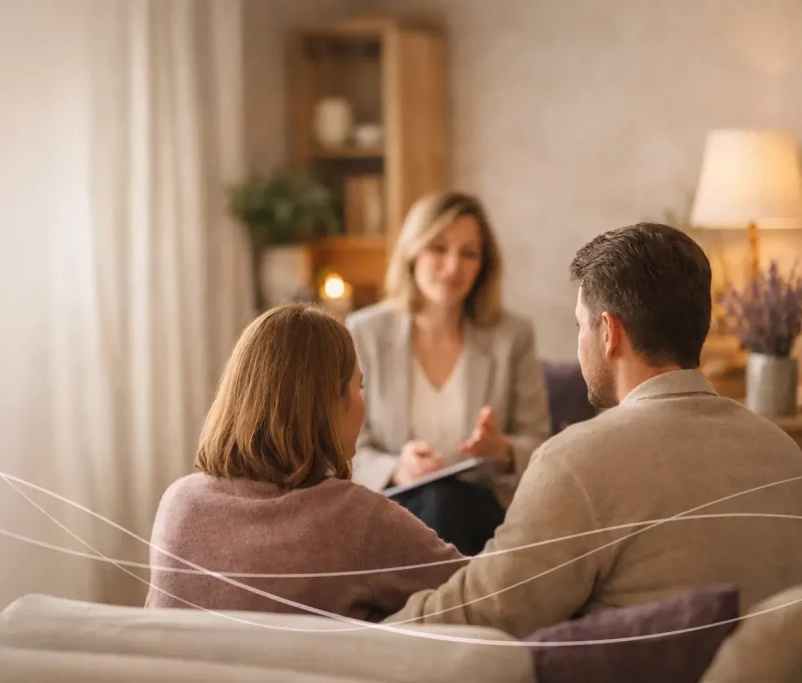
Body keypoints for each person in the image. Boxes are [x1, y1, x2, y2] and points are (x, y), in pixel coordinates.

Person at [384, 222, 802, 637]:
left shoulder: (577, 461)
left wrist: (361, 637)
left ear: (609, 333)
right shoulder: (785, 453)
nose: (578, 342)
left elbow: (478, 612)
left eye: (580, 326)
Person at [145, 303, 464, 621]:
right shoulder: (356, 518)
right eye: (359, 387)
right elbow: (484, 593)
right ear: (329, 403)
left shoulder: (178, 503)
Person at [347, 191, 552, 555]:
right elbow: (342, 445)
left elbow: (540, 444)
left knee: (446, 503)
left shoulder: (512, 336)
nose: (453, 266)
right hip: (394, 503)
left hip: (480, 511)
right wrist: (397, 468)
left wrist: (501, 449)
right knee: (432, 503)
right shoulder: (365, 332)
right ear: (412, 252)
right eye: (438, 248)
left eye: (468, 253)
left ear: (483, 266)